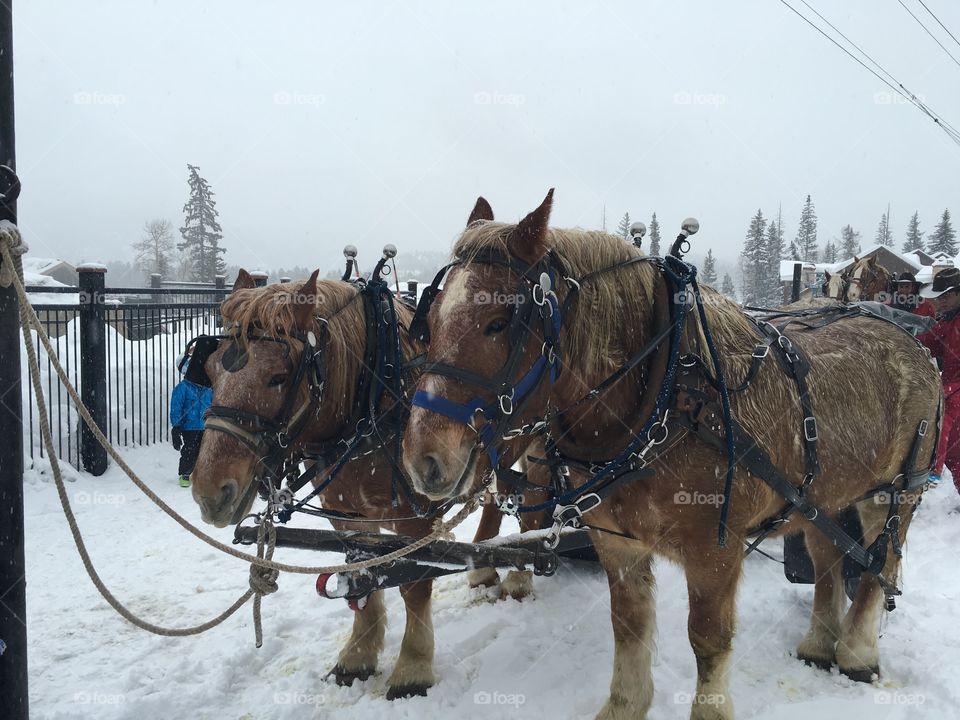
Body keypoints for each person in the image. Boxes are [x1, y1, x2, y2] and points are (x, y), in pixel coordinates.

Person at [917, 267, 960, 493]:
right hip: (952, 383)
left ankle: (931, 471)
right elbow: (930, 341)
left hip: (955, 387)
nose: (940, 301)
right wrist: (905, 339)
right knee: (955, 451)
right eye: (939, 297)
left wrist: (948, 388)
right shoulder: (948, 321)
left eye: (945, 296)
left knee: (939, 414)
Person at [170, 347, 212, 488]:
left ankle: (203, 474)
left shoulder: (209, 388)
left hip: (207, 425)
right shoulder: (183, 388)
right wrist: (176, 426)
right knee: (190, 450)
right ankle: (185, 473)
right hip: (189, 426)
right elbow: (176, 407)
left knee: (206, 451)